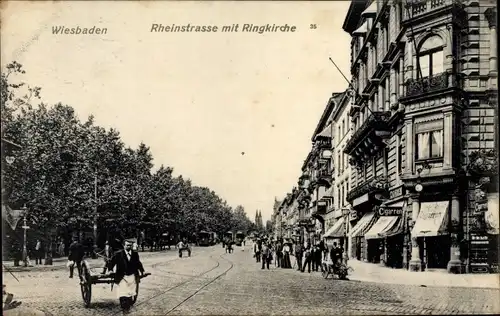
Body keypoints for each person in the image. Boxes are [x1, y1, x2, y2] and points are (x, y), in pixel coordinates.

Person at [108, 238, 146, 314]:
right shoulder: (118, 254)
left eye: (130, 246)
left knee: (129, 294)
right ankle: (124, 309)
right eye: (127, 245)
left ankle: (127, 307)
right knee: (123, 294)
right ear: (124, 246)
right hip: (122, 276)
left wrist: (142, 271)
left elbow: (138, 263)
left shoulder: (135, 254)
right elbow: (112, 262)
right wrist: (110, 270)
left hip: (132, 276)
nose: (129, 247)